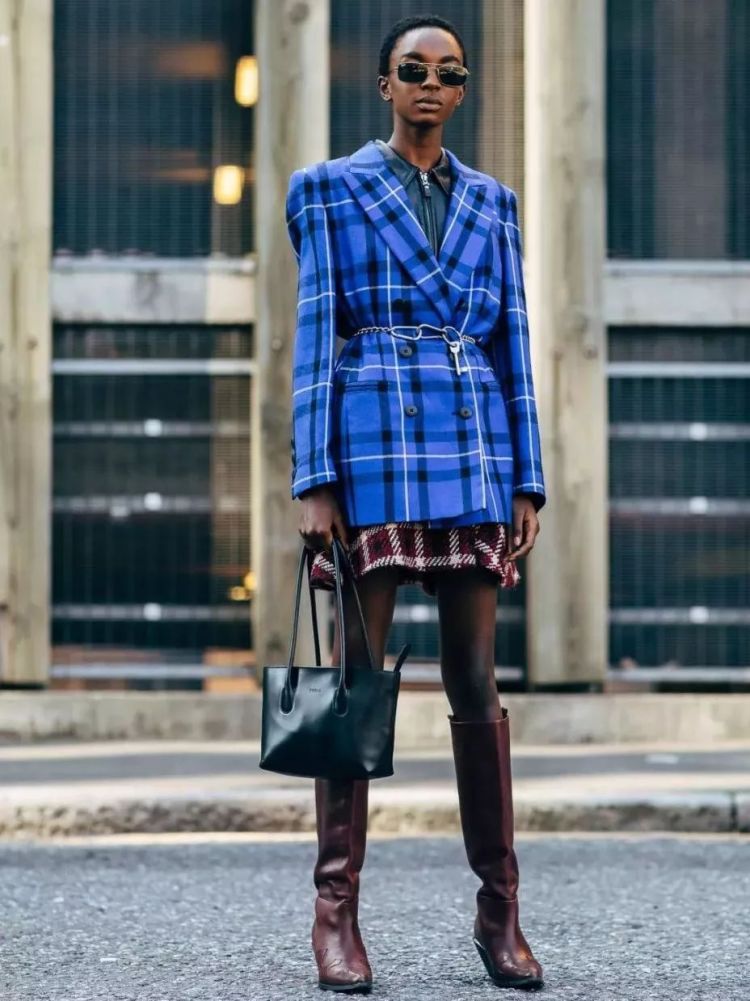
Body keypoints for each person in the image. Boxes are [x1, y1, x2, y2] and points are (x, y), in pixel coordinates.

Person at [285, 13, 545, 994]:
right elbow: (317, 333)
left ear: (463, 90)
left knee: (474, 675)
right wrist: (315, 478)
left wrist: (527, 476)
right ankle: (336, 914)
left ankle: (499, 910)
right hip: (373, 441)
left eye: (450, 73)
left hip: (473, 447)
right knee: (357, 676)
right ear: (384, 85)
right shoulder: (328, 189)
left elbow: (513, 341)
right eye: (413, 70)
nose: (432, 85)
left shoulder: (495, 203)